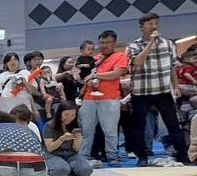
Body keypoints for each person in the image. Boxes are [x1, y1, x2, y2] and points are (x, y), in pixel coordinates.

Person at [125, 13, 190, 165]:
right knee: (139, 126)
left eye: (156, 23)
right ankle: (142, 156)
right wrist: (150, 43)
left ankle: (182, 154)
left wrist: (176, 86)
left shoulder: (168, 44)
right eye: (150, 24)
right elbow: (137, 62)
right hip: (141, 92)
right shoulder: (134, 46)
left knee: (173, 124)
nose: (154, 26)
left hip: (163, 90)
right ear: (141, 27)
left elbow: (172, 66)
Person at [79, 30, 128, 167]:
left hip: (110, 99)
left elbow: (116, 73)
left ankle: (112, 156)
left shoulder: (120, 56)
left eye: (108, 42)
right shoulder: (93, 59)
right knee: (87, 131)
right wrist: (84, 78)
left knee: (110, 131)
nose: (104, 45)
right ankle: (83, 157)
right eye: (101, 43)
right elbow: (82, 76)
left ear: (114, 43)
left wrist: (96, 75)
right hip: (89, 98)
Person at [43, 101, 93, 176]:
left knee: (86, 170)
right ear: (60, 113)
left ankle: (69, 167)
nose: (69, 118)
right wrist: (62, 139)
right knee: (61, 171)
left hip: (71, 154)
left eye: (72, 115)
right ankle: (56, 168)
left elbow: (76, 149)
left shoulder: (77, 125)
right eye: (66, 114)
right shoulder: (49, 125)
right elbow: (50, 148)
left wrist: (78, 138)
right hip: (54, 154)